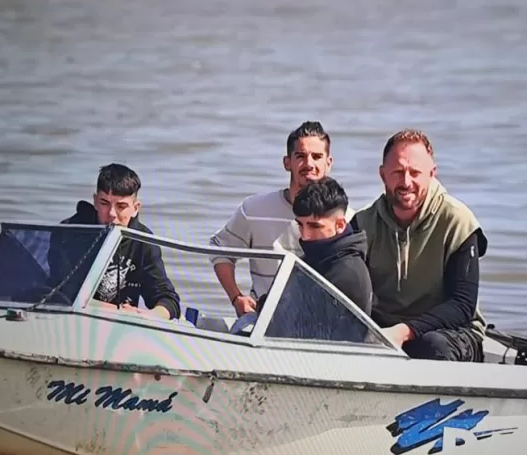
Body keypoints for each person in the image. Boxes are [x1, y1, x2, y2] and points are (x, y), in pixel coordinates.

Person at [351, 129, 488, 361]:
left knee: (432, 346)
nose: (406, 182)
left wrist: (405, 331)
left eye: (415, 172)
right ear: (383, 174)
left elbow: (462, 305)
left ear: (432, 174)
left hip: (450, 332)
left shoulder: (458, 220)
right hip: (383, 330)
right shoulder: (362, 223)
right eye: (397, 172)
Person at [208, 121, 354, 317]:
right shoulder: (254, 209)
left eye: (317, 157)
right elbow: (219, 249)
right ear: (287, 162)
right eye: (300, 156)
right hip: (262, 319)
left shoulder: (346, 218)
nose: (309, 164)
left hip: (319, 323)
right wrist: (236, 298)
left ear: (328, 163)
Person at [47, 163, 181, 321]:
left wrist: (151, 315)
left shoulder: (144, 240)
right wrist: (118, 311)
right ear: (95, 201)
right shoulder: (69, 232)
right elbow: (64, 293)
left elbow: (168, 299)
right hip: (71, 319)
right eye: (104, 203)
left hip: (120, 327)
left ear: (135, 208)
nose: (111, 214)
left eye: (121, 206)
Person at [292, 177, 372, 315]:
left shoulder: (347, 274)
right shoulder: (313, 260)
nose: (304, 235)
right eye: (300, 224)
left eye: (314, 226)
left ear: (340, 225)